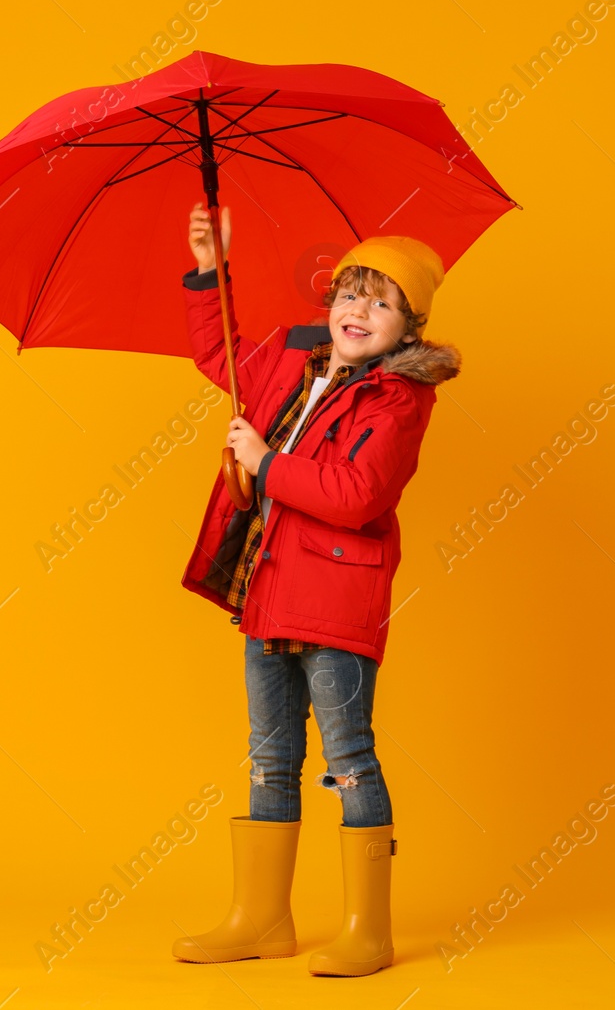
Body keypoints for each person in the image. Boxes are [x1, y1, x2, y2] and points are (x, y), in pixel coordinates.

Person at [171, 203, 459, 977]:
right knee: (269, 759)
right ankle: (262, 916)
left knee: (350, 760)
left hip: (334, 605)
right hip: (266, 592)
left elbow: (356, 492)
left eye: (381, 300)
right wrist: (209, 267)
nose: (357, 310)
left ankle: (369, 927)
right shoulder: (287, 362)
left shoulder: (399, 401)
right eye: (348, 292)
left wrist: (265, 462)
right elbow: (217, 352)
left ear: (410, 326)